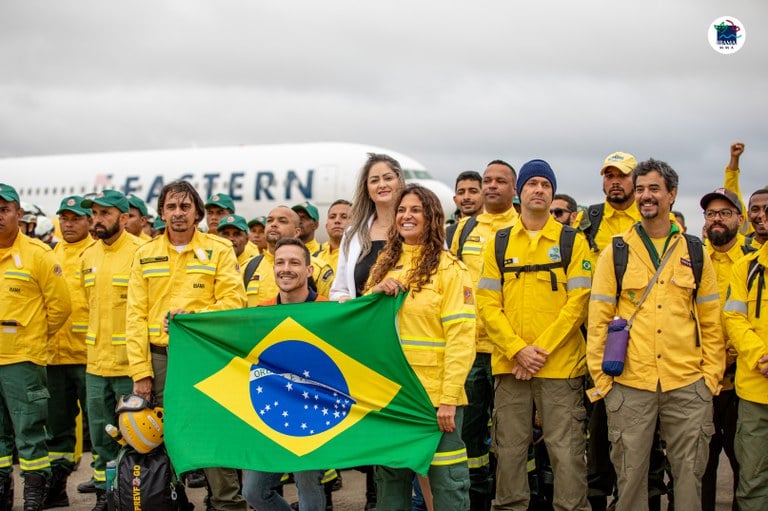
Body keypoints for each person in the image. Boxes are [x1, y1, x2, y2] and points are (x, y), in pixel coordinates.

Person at [587, 158, 724, 511]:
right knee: (630, 476)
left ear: (672, 195)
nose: (647, 196)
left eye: (655, 189)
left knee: (689, 475)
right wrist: (603, 380)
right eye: (642, 189)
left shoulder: (695, 251)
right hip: (630, 382)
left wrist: (709, 377)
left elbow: (710, 320)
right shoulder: (615, 251)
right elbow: (599, 318)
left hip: (688, 384)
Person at [476, 159, 591, 511]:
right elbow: (486, 303)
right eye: (532, 184)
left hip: (560, 366)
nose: (538, 189)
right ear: (519, 192)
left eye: (545, 184)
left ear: (552, 192)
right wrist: (516, 350)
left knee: (566, 450)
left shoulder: (574, 242)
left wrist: (537, 351)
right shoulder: (498, 243)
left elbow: (578, 305)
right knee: (508, 451)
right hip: (510, 366)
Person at [126, 180, 247, 511]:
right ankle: (170, 501)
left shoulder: (219, 250)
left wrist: (194, 316)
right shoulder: (144, 254)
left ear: (198, 213)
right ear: (162, 212)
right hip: (159, 358)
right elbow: (134, 317)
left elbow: (234, 303)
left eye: (185, 207)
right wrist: (141, 373)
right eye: (171, 207)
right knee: (162, 438)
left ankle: (226, 504)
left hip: (204, 358)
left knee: (211, 432)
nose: (177, 214)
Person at [366, 184, 475, 511]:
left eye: (415, 210)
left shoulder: (451, 269)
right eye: (401, 210)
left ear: (431, 218)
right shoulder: (384, 265)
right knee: (390, 486)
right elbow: (363, 325)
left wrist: (448, 399)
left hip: (435, 401)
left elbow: (461, 336)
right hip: (392, 397)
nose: (406, 216)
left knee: (449, 486)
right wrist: (374, 293)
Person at [449, 160, 518, 511]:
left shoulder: (523, 227)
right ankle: (477, 501)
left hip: (510, 351)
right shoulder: (463, 229)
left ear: (514, 188)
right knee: (471, 436)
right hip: (471, 352)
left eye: (500, 181)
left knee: (513, 437)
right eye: (487, 180)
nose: (491, 186)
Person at [242, 238, 329, 511]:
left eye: (294, 262)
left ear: (309, 270)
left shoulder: (329, 311)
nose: (286, 269)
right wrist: (185, 321)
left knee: (308, 487)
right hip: (273, 414)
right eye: (280, 262)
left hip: (314, 416)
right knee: (253, 491)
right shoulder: (261, 313)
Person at [0, 183, 71, 511]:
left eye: (4, 210)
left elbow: (60, 307)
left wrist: (33, 339)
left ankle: (33, 495)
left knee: (29, 431)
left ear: (18, 213)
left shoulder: (38, 255)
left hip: (23, 360)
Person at [79, 190, 145, 511]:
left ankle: (135, 498)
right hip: (95, 367)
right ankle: (105, 499)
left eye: (105, 214)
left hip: (128, 367)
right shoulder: (88, 256)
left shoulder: (140, 252)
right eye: (94, 213)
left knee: (136, 440)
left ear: (123, 217)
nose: (98, 220)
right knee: (101, 441)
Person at [699, 188, 749, 511]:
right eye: (712, 213)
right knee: (700, 467)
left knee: (745, 466)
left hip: (739, 383)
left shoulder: (752, 261)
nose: (717, 219)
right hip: (700, 381)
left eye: (725, 213)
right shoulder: (692, 258)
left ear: (740, 220)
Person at [44, 196, 96, 508]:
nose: (68, 224)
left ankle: (106, 489)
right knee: (57, 430)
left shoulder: (96, 253)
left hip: (89, 357)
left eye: (75, 218)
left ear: (89, 221)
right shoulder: (49, 254)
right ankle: (57, 485)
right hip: (55, 356)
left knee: (101, 431)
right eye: (64, 218)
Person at [723, 237, 768, 511]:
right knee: (752, 481)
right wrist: (759, 355)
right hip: (755, 393)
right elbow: (733, 317)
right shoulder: (746, 267)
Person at [330, 153, 406, 303]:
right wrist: (345, 300)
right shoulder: (352, 234)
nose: (382, 184)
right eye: (374, 180)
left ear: (400, 183)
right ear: (367, 189)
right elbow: (339, 290)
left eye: (388, 178)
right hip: (365, 323)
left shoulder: (420, 229)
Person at [244, 206, 334, 305]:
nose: (274, 224)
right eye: (269, 220)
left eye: (282, 221)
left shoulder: (319, 269)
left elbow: (329, 312)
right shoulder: (247, 267)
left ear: (297, 232)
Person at [445, 171, 483, 247]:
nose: (466, 197)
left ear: (484, 196)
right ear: (455, 199)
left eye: (473, 191)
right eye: (461, 192)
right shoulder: (444, 235)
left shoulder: (496, 230)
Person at [315, 200, 352, 273]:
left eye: (344, 217)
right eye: (332, 217)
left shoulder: (361, 256)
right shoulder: (315, 256)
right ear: (326, 226)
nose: (337, 221)